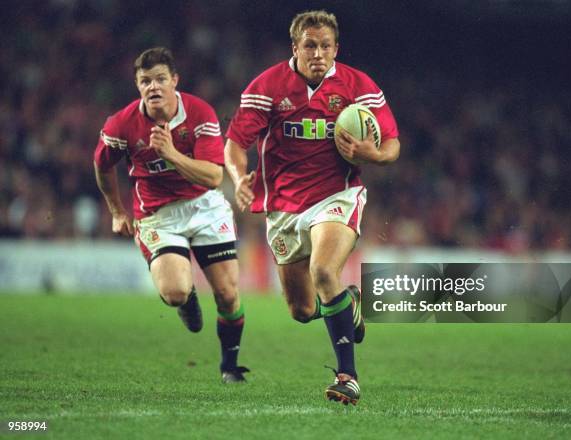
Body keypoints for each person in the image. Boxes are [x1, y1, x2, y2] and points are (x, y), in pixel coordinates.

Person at [224, 11, 400, 404]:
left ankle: (348, 376)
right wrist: (239, 178)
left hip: (337, 196)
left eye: (325, 46)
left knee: (324, 270)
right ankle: (348, 302)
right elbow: (235, 143)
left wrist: (374, 154)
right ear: (295, 48)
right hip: (283, 207)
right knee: (302, 309)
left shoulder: (358, 86)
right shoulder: (267, 87)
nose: (318, 53)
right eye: (310, 45)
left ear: (336, 48)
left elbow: (392, 144)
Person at [94, 47, 249, 383]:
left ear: (174, 81)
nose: (153, 87)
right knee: (174, 292)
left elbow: (212, 177)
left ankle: (229, 366)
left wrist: (171, 153)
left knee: (227, 293)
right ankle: (187, 297)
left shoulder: (199, 113)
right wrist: (117, 211)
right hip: (157, 214)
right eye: (145, 81)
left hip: (204, 207)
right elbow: (102, 165)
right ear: (138, 86)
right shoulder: (121, 124)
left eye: (160, 79)